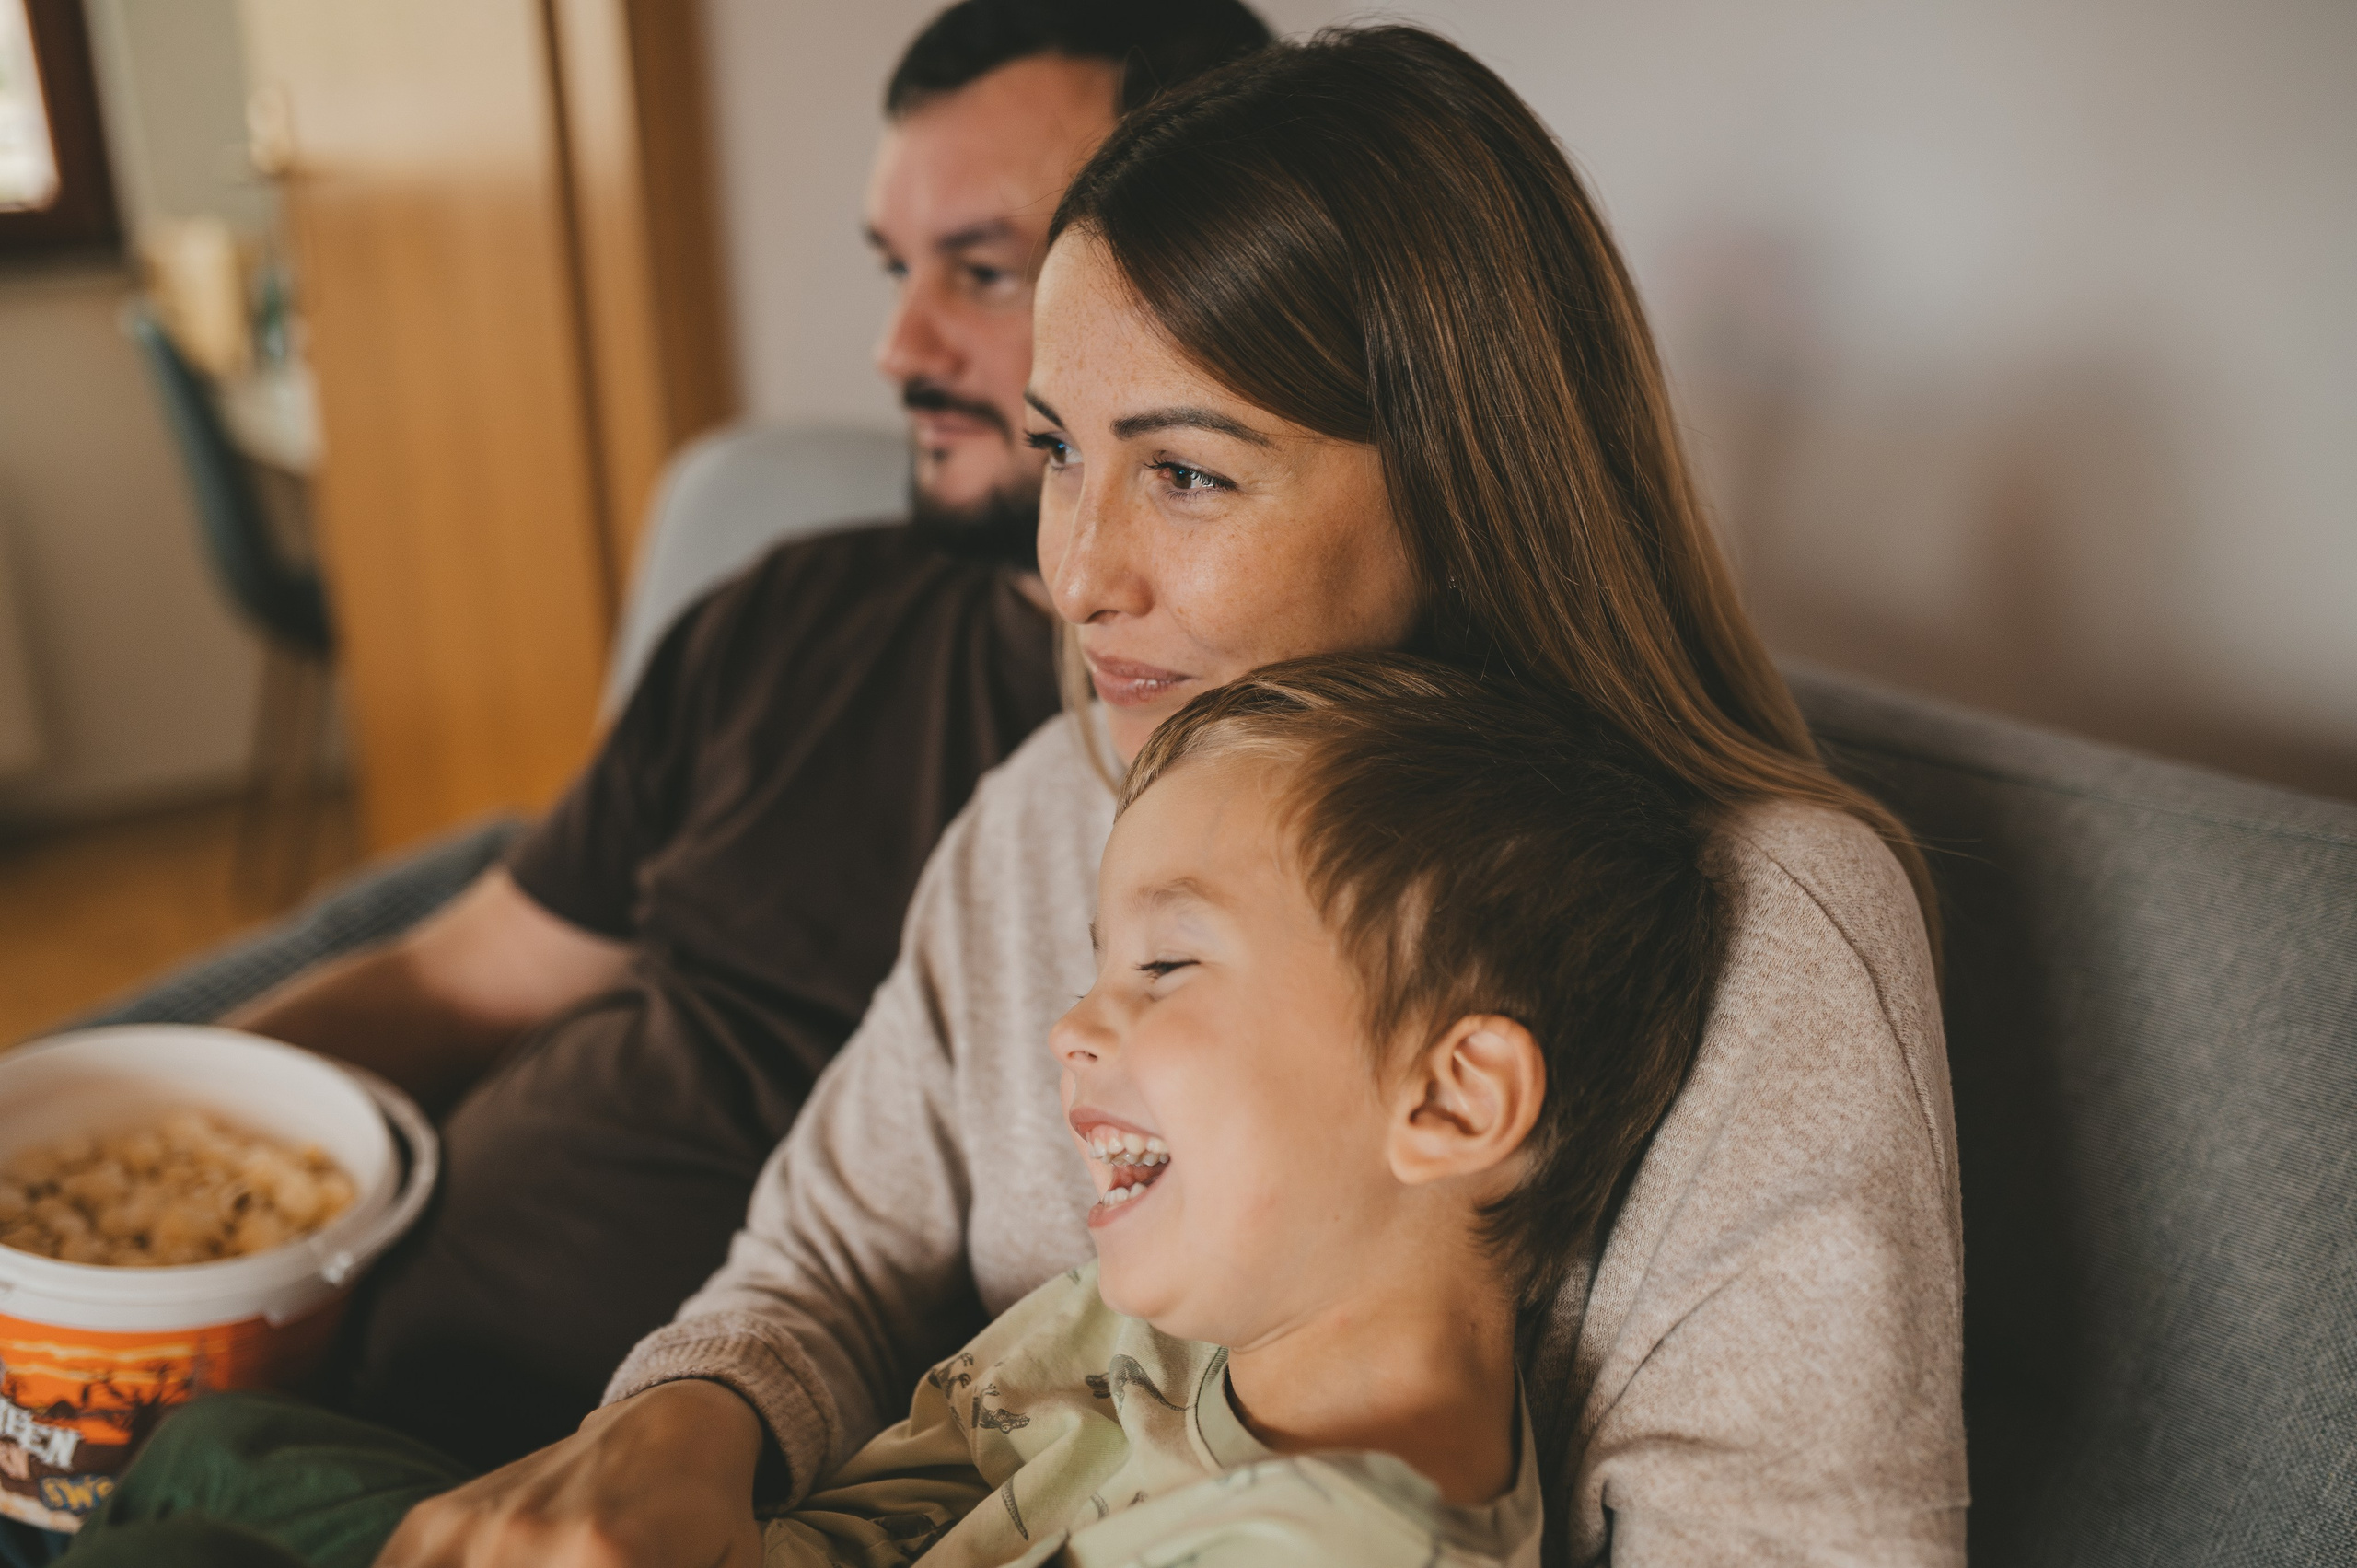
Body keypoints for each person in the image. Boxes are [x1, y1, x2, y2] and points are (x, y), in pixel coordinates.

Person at [377, 23, 1968, 1568]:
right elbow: (823, 1257)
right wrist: (677, 1432)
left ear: (1462, 479)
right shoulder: (1062, 791)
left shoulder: (1770, 916)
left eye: (1189, 473)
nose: (1074, 577)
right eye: (1060, 451)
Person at [185, 0, 1275, 1472]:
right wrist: (176, 1121)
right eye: (897, 269)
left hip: (574, 1468)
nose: (898, 345)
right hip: (290, 1350)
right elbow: (463, 970)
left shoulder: (1222, 788)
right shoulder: (791, 612)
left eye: (981, 269)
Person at [60, 654, 1728, 1568]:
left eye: (1165, 965)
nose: (1074, 1026)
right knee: (218, 1444)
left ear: (1448, 1096)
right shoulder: (1196, 1315)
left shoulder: (1329, 1547)